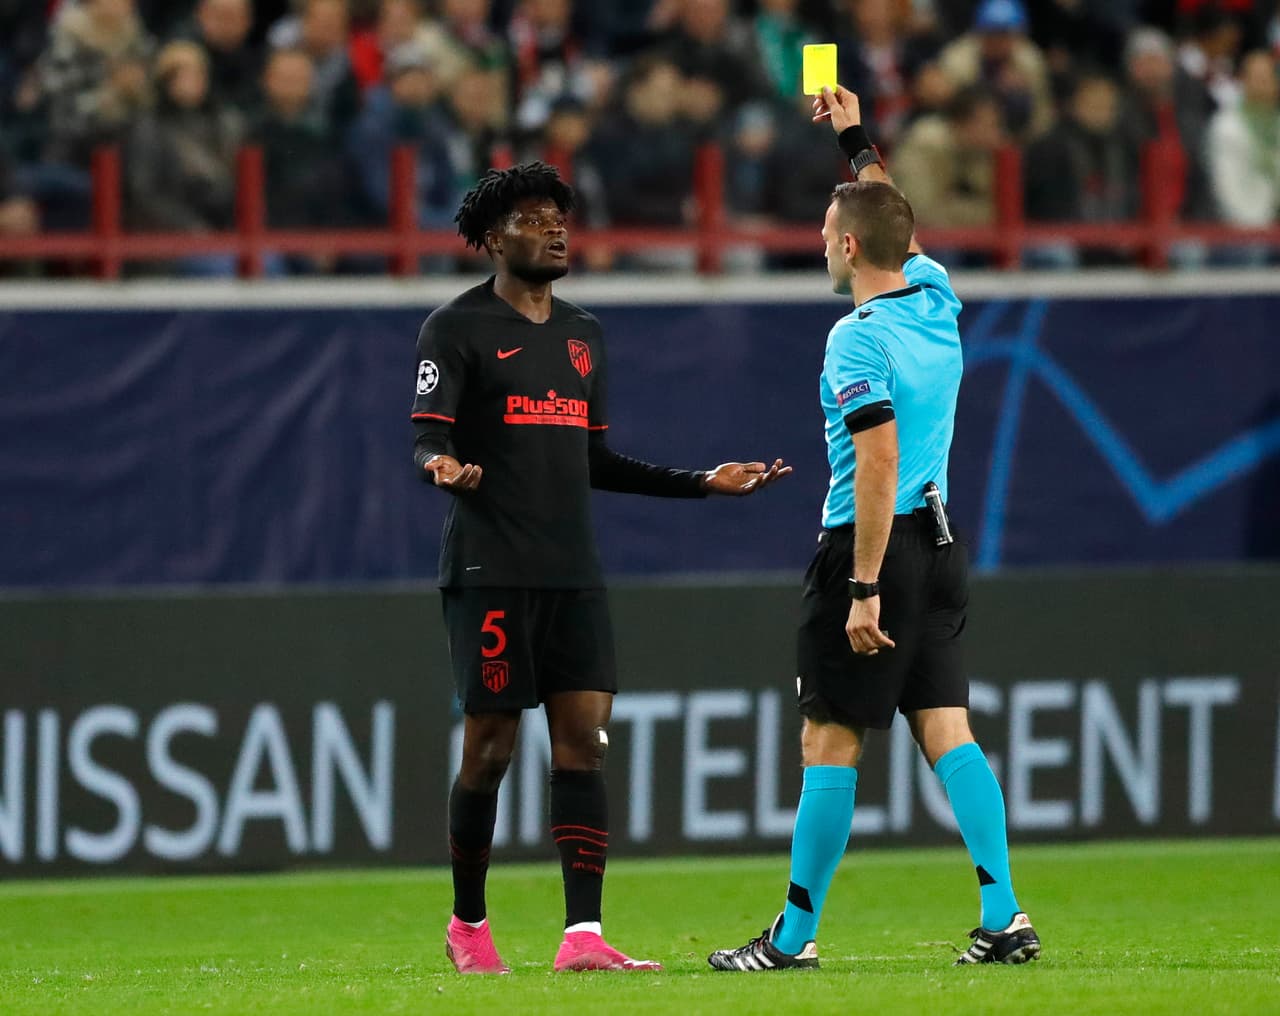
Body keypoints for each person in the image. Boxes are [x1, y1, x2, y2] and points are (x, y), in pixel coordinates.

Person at [412, 161, 791, 975]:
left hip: (572, 572)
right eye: (533, 220)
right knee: (490, 748)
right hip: (489, 569)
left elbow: (596, 461)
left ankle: (582, 936)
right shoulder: (455, 327)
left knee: (583, 743)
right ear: (492, 240)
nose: (555, 230)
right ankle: (468, 924)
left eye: (560, 218)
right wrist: (440, 466)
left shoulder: (584, 334)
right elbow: (428, 436)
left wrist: (701, 481)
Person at [707, 84, 1039, 972]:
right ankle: (1004, 915)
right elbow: (894, 216)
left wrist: (860, 587)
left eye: (828, 235)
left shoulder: (854, 339)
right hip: (941, 544)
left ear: (849, 248)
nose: (823, 245)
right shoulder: (934, 295)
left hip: (876, 545)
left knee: (829, 738)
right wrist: (854, 138)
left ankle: (791, 938)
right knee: (947, 730)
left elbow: (878, 462)